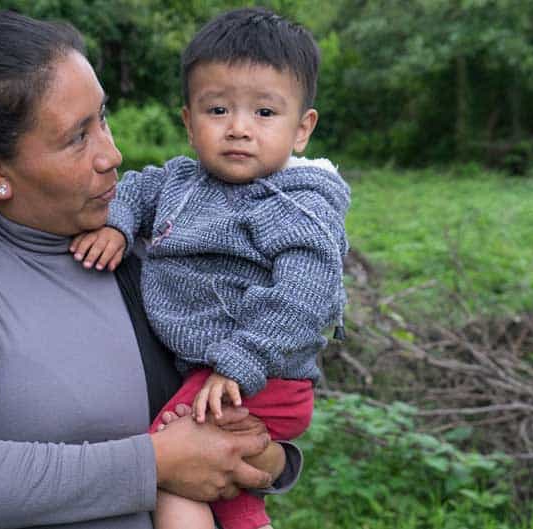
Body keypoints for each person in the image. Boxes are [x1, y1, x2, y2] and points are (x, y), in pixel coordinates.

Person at [0, 4, 305, 529]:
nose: (112, 154)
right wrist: (159, 461)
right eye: (77, 137)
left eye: (104, 118)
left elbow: (236, 408)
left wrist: (266, 461)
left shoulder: (143, 249)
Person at [69, 7, 350, 529]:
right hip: (213, 372)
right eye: (217, 110)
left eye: (265, 113)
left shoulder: (295, 208)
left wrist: (238, 362)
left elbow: (304, 300)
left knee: (169, 461)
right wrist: (119, 226)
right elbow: (133, 188)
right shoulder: (182, 181)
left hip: (260, 375)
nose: (239, 129)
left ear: (302, 128)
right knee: (224, 487)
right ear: (189, 122)